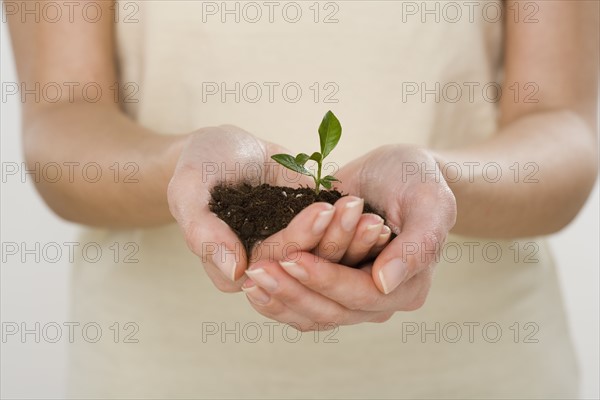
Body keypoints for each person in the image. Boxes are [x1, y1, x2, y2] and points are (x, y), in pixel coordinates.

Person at [7, 0, 598, 397]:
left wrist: (438, 183)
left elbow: (563, 126)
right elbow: (65, 119)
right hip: (160, 373)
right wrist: (180, 168)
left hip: (479, 372)